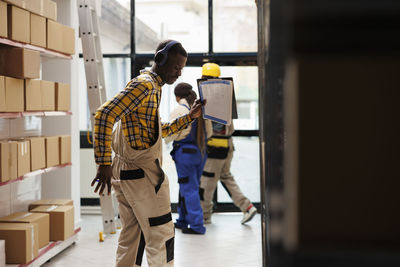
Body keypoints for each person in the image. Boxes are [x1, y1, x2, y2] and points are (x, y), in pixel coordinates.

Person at [92, 40, 205, 267]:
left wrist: (189, 117)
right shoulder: (145, 86)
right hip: (141, 176)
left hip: (130, 173)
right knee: (161, 233)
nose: (179, 73)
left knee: (132, 236)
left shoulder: (153, 88)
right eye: (175, 68)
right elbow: (104, 115)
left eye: (182, 69)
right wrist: (103, 163)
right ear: (161, 60)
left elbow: (158, 131)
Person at [199, 63, 257, 225]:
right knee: (225, 176)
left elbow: (212, 128)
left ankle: (204, 217)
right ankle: (248, 207)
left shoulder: (208, 99)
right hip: (228, 146)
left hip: (216, 147)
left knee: (206, 181)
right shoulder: (226, 96)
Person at [165, 83, 212, 235]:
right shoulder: (202, 109)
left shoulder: (179, 109)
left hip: (185, 155)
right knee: (190, 187)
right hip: (200, 153)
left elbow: (170, 134)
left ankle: (197, 226)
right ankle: (183, 220)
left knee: (189, 189)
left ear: (178, 97)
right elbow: (209, 133)